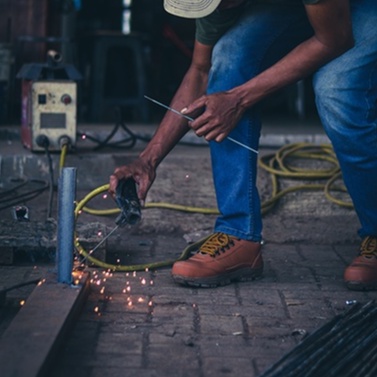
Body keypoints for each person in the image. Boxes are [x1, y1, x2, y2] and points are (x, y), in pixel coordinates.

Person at [110, 0, 377, 290]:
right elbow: (201, 70)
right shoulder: (213, 5)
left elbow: (334, 38)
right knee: (228, 55)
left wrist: (238, 99)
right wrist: (148, 159)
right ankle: (238, 236)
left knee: (335, 90)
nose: (215, 13)